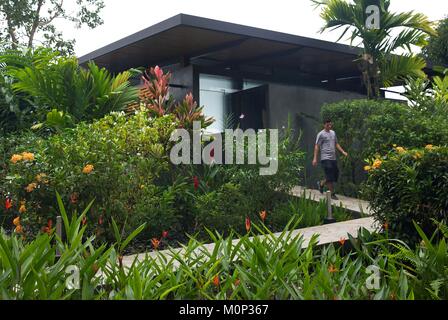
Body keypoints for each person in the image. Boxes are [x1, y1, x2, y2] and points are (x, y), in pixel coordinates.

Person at [312, 119, 348, 200]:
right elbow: (317, 146)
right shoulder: (321, 134)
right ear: (324, 125)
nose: (329, 126)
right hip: (325, 158)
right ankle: (332, 193)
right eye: (327, 125)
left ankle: (321, 183)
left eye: (330, 125)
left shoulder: (333, 133)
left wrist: (343, 151)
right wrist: (315, 158)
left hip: (333, 158)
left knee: (335, 175)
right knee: (330, 176)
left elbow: (336, 143)